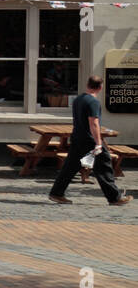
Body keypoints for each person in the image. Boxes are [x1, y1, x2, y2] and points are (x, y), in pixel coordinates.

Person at [49, 75, 130, 206]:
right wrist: (98, 143)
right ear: (100, 87)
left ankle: (56, 193)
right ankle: (115, 198)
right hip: (89, 139)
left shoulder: (78, 99)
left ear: (88, 85)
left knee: (70, 167)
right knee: (104, 165)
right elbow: (94, 123)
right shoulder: (93, 102)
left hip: (77, 137)